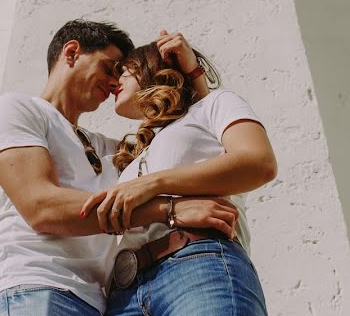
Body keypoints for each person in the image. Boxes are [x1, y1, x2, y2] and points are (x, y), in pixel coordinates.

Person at [0, 20, 241, 316]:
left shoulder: (110, 150)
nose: (116, 82)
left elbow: (195, 140)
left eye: (121, 73)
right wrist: (168, 211)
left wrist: (193, 74)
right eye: (109, 68)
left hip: (99, 302)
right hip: (35, 287)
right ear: (72, 52)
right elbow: (41, 207)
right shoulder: (18, 109)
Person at [79, 41, 277, 316]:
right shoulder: (133, 154)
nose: (115, 81)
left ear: (151, 69)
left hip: (198, 265)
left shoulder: (214, 105)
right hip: (124, 295)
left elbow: (259, 163)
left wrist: (153, 183)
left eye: (125, 71)